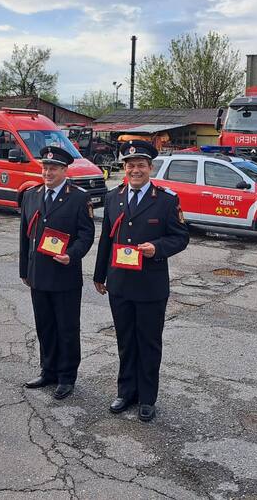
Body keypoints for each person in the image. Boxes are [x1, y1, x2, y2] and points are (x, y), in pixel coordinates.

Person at [92, 139, 189, 421]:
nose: (135, 170)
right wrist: (100, 274)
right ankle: (126, 392)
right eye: (130, 165)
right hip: (119, 283)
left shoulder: (166, 199)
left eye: (141, 166)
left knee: (148, 342)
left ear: (150, 168)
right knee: (125, 340)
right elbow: (106, 240)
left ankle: (147, 398)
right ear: (124, 168)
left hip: (150, 285)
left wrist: (157, 248)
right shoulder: (113, 198)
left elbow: (180, 237)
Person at [19, 145, 95, 400]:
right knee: (45, 326)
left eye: (53, 168)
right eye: (45, 167)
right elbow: (24, 236)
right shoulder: (31, 195)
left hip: (64, 274)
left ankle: (66, 376)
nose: (47, 172)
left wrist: (72, 255)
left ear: (64, 170)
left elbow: (86, 235)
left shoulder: (78, 198)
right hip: (38, 273)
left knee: (66, 328)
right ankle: (48, 370)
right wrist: (24, 269)